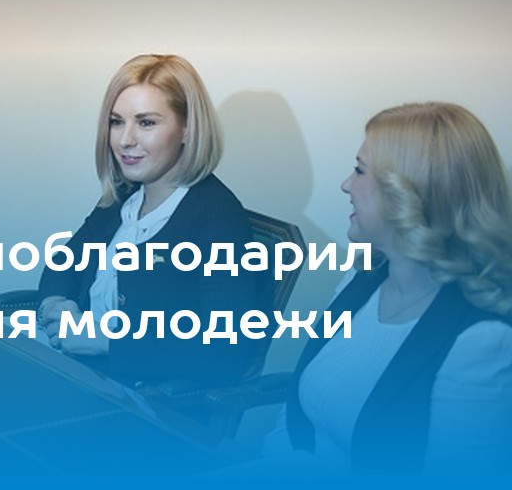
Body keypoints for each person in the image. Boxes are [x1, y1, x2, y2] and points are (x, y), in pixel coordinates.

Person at [272, 102, 512, 475]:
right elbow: (295, 423)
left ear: (410, 193)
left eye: (359, 170)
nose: (346, 184)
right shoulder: (362, 279)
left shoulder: (483, 339)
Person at [36, 54, 270, 387]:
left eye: (146, 123)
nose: (125, 140)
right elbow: (65, 264)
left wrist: (107, 342)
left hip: (145, 400)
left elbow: (224, 350)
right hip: (82, 376)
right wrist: (56, 305)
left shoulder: (218, 216)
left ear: (187, 130)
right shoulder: (126, 194)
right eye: (117, 122)